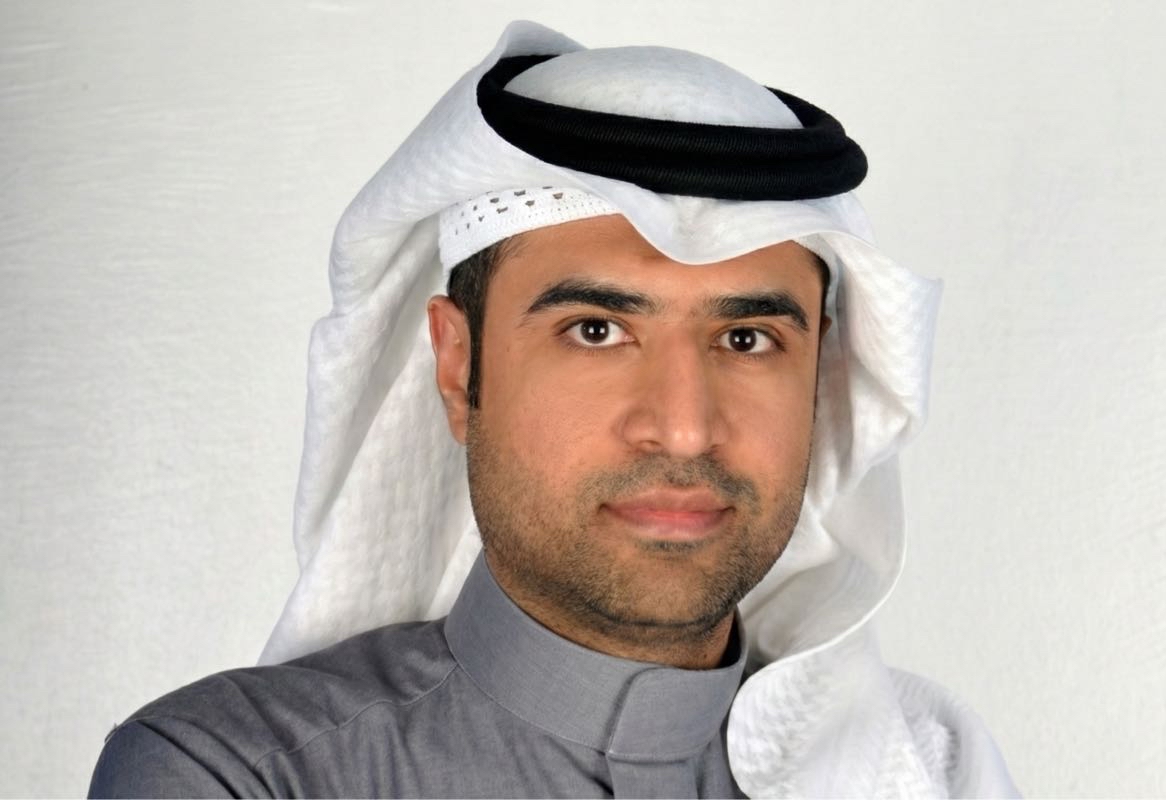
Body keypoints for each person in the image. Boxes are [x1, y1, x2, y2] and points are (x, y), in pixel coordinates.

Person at [88, 21, 1019, 798]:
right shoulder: (240, 774)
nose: (684, 428)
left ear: (820, 377)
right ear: (459, 367)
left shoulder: (929, 769)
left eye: (746, 339)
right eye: (596, 331)